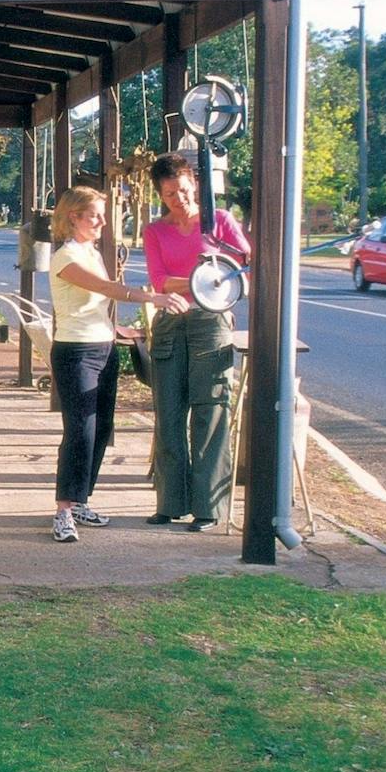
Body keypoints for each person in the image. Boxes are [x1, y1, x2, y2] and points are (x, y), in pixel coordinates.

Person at [48, 187, 188, 543]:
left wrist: (120, 330)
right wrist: (151, 296)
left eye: (102, 215)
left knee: (102, 428)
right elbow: (106, 289)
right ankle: (63, 510)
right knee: (80, 430)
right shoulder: (65, 257)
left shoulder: (91, 252)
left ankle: (80, 499)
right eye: (94, 215)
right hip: (76, 352)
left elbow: (93, 305)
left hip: (104, 347)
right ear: (73, 218)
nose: (102, 222)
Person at [140, 152, 253, 531]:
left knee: (210, 412)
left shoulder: (219, 222)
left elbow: (242, 267)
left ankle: (208, 508)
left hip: (211, 323)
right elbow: (160, 282)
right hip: (172, 324)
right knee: (169, 415)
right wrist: (204, 275)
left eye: (185, 190)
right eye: (170, 193)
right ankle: (169, 502)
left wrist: (215, 260)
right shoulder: (155, 231)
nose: (179, 199)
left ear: (196, 186)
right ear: (161, 194)